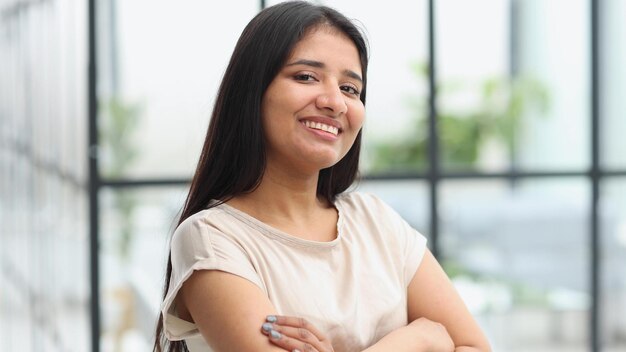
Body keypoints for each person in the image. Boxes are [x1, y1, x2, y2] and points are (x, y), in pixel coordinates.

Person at [153, 1, 491, 352]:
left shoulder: (376, 222)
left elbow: (476, 347)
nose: (335, 102)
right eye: (306, 77)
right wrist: (420, 340)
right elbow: (446, 341)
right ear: (252, 91)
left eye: (350, 89)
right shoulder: (211, 239)